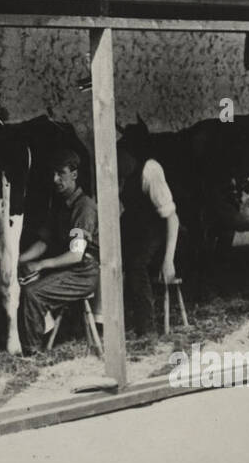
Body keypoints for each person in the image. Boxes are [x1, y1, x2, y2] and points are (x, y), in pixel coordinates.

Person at [17, 149, 100, 352]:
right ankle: (47, 330)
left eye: (60, 173)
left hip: (84, 271)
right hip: (68, 269)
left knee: (32, 293)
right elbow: (44, 242)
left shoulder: (84, 207)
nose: (55, 179)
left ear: (74, 174)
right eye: (53, 174)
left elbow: (76, 254)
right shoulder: (60, 205)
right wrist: (18, 260)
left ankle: (32, 351)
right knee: (21, 277)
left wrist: (41, 264)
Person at [120, 151, 180, 341]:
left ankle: (146, 329)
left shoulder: (149, 170)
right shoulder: (112, 172)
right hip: (135, 231)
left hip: (158, 231)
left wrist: (168, 259)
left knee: (136, 264)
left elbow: (172, 218)